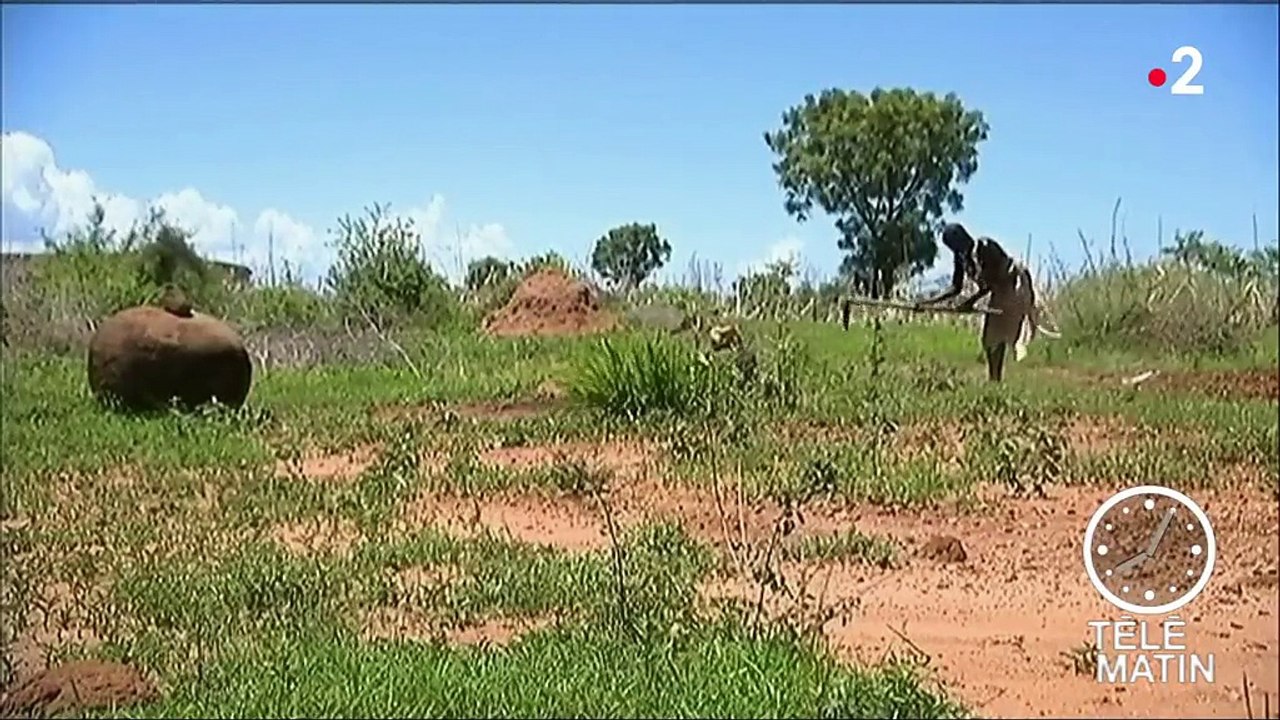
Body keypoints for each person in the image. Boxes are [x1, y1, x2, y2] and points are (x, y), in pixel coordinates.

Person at [918, 223, 1051, 382]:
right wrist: (928, 303)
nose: (954, 250)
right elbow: (955, 287)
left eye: (954, 245)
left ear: (962, 238)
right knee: (990, 339)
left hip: (1012, 284)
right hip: (997, 290)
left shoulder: (985, 247)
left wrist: (969, 303)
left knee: (1000, 333)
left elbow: (991, 283)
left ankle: (996, 378)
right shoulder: (962, 257)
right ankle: (994, 379)